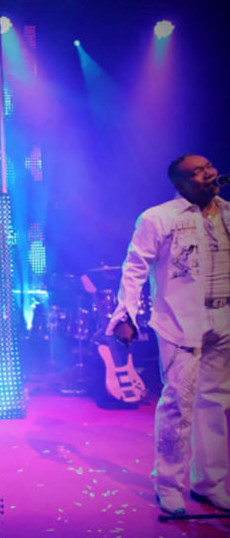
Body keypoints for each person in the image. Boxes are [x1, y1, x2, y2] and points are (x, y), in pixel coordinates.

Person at [107, 154, 230, 516]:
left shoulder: (227, 212)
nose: (209, 174)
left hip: (223, 317)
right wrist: (126, 314)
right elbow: (134, 267)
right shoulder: (158, 217)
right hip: (180, 320)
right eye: (198, 172)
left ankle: (210, 483)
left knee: (217, 403)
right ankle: (169, 485)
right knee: (178, 404)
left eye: (209, 167)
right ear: (180, 183)